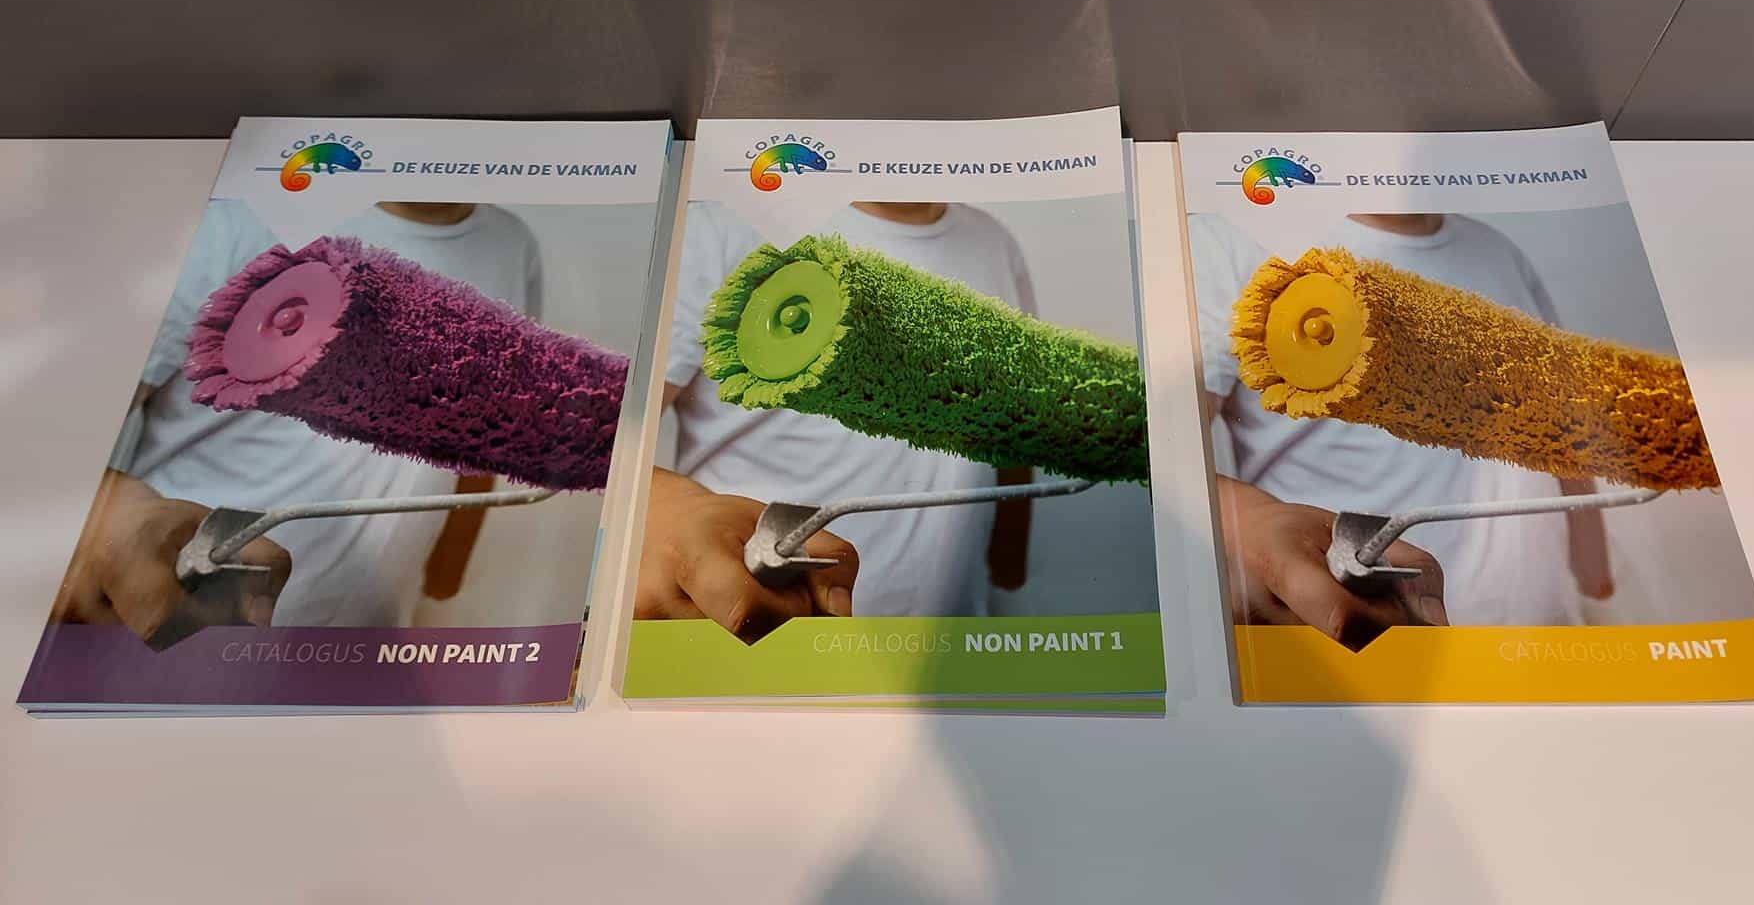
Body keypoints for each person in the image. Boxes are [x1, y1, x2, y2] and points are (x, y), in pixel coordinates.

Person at [51, 199, 543, 646]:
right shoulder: (236, 222)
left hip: (362, 643)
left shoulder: (512, 243)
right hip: (167, 630)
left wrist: (446, 572)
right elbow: (60, 431)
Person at [632, 200, 1038, 643]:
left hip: (946, 642)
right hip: (759, 638)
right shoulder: (718, 231)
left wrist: (1009, 562)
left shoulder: (993, 240)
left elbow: (1016, 420)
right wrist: (670, 510)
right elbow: (605, 443)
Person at [1190, 211, 1613, 632]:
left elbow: (1564, 426)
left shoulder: (1497, 251)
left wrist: (1595, 575)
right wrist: (1252, 523)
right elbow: (1165, 462)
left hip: (1542, 631)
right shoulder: (1229, 245)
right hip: (1361, 638)